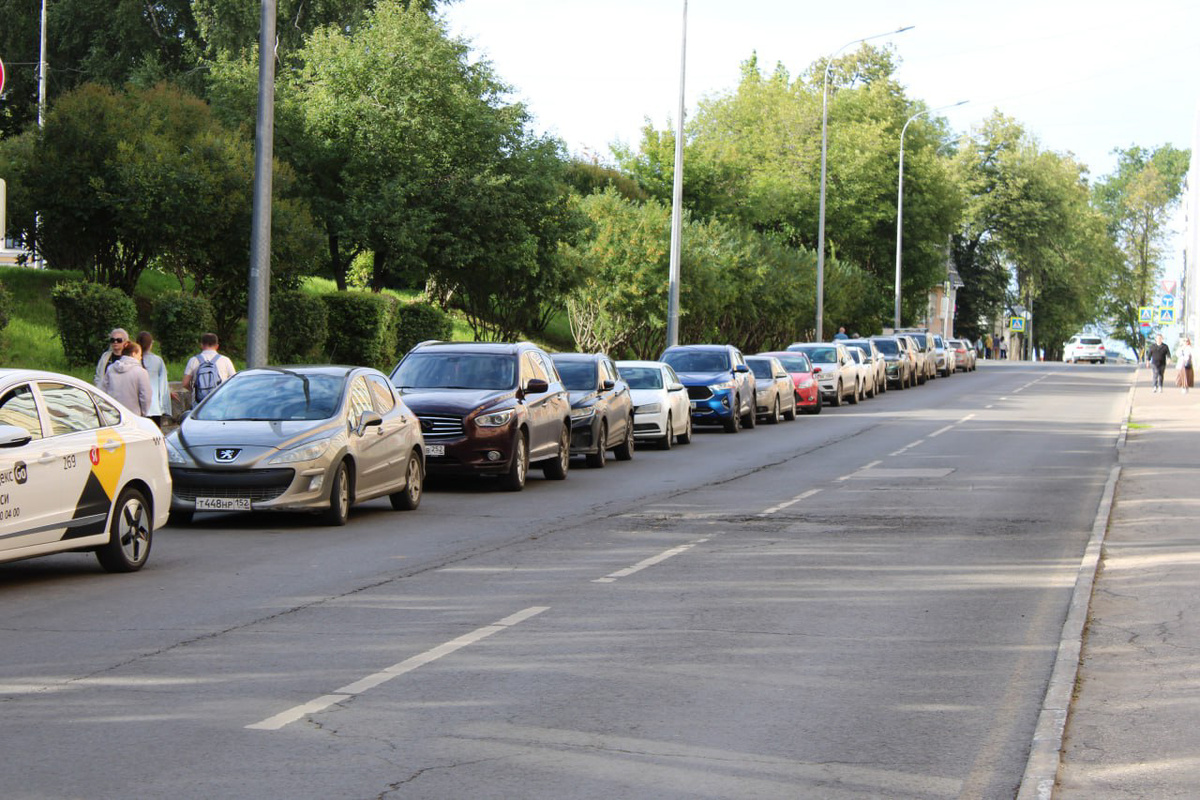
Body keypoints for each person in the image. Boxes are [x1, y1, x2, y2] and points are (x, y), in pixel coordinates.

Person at [182, 332, 237, 405]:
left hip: (199, 403)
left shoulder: (193, 360)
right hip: (220, 401)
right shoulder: (225, 360)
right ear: (217, 346)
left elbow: (185, 383)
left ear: (201, 345)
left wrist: (195, 391)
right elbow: (234, 382)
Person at [102, 341, 152, 415]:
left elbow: (103, 390)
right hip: (133, 414)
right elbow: (146, 396)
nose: (141, 357)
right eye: (140, 354)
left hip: (112, 413)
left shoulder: (111, 369)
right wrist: (144, 413)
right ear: (133, 354)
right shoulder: (141, 372)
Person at [136, 331, 171, 426]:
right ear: (151, 344)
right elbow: (163, 385)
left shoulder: (134, 361)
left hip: (138, 407)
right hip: (155, 406)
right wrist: (164, 407)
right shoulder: (157, 360)